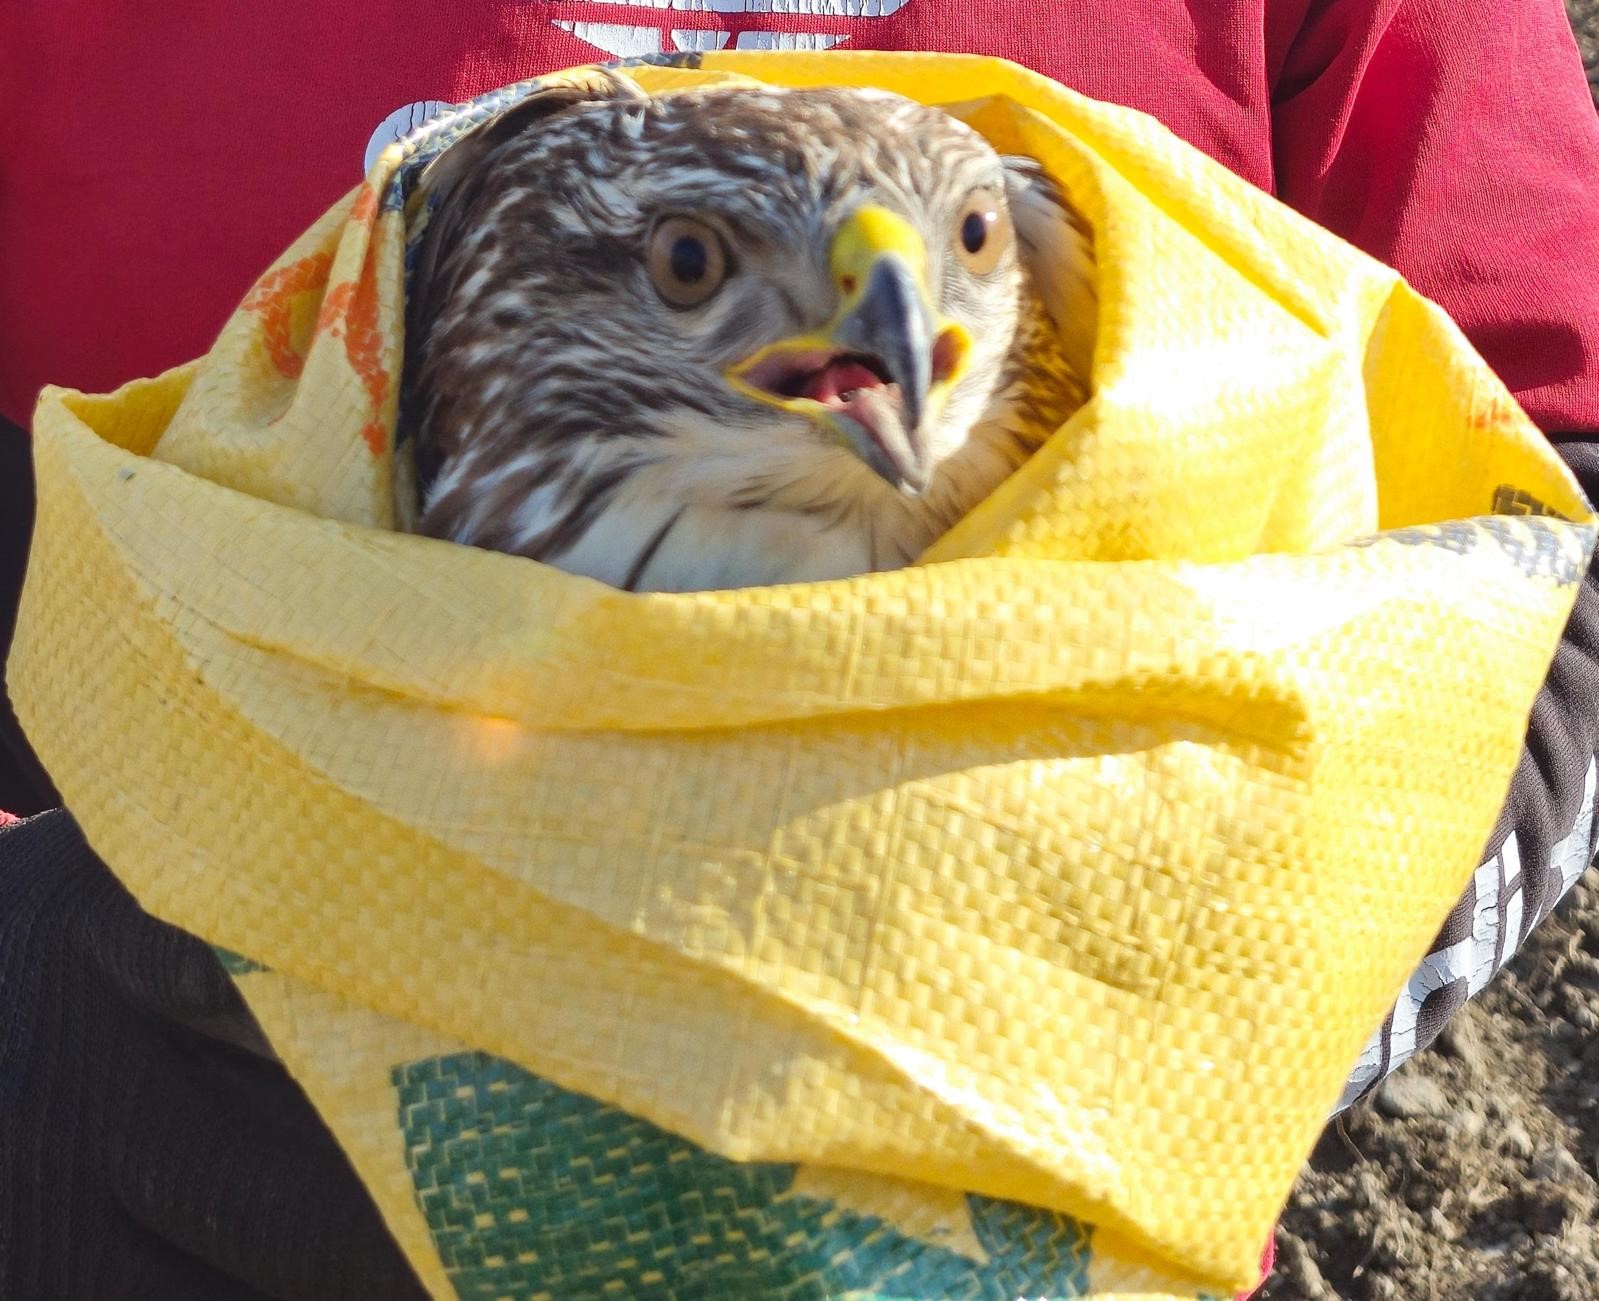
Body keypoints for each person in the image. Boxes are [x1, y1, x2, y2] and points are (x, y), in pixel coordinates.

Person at [2, 3, 1597, 1295]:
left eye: (969, 248)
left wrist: (1250, 997)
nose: (898, 322)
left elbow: (1554, 501)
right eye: (697, 266)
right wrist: (34, 1005)